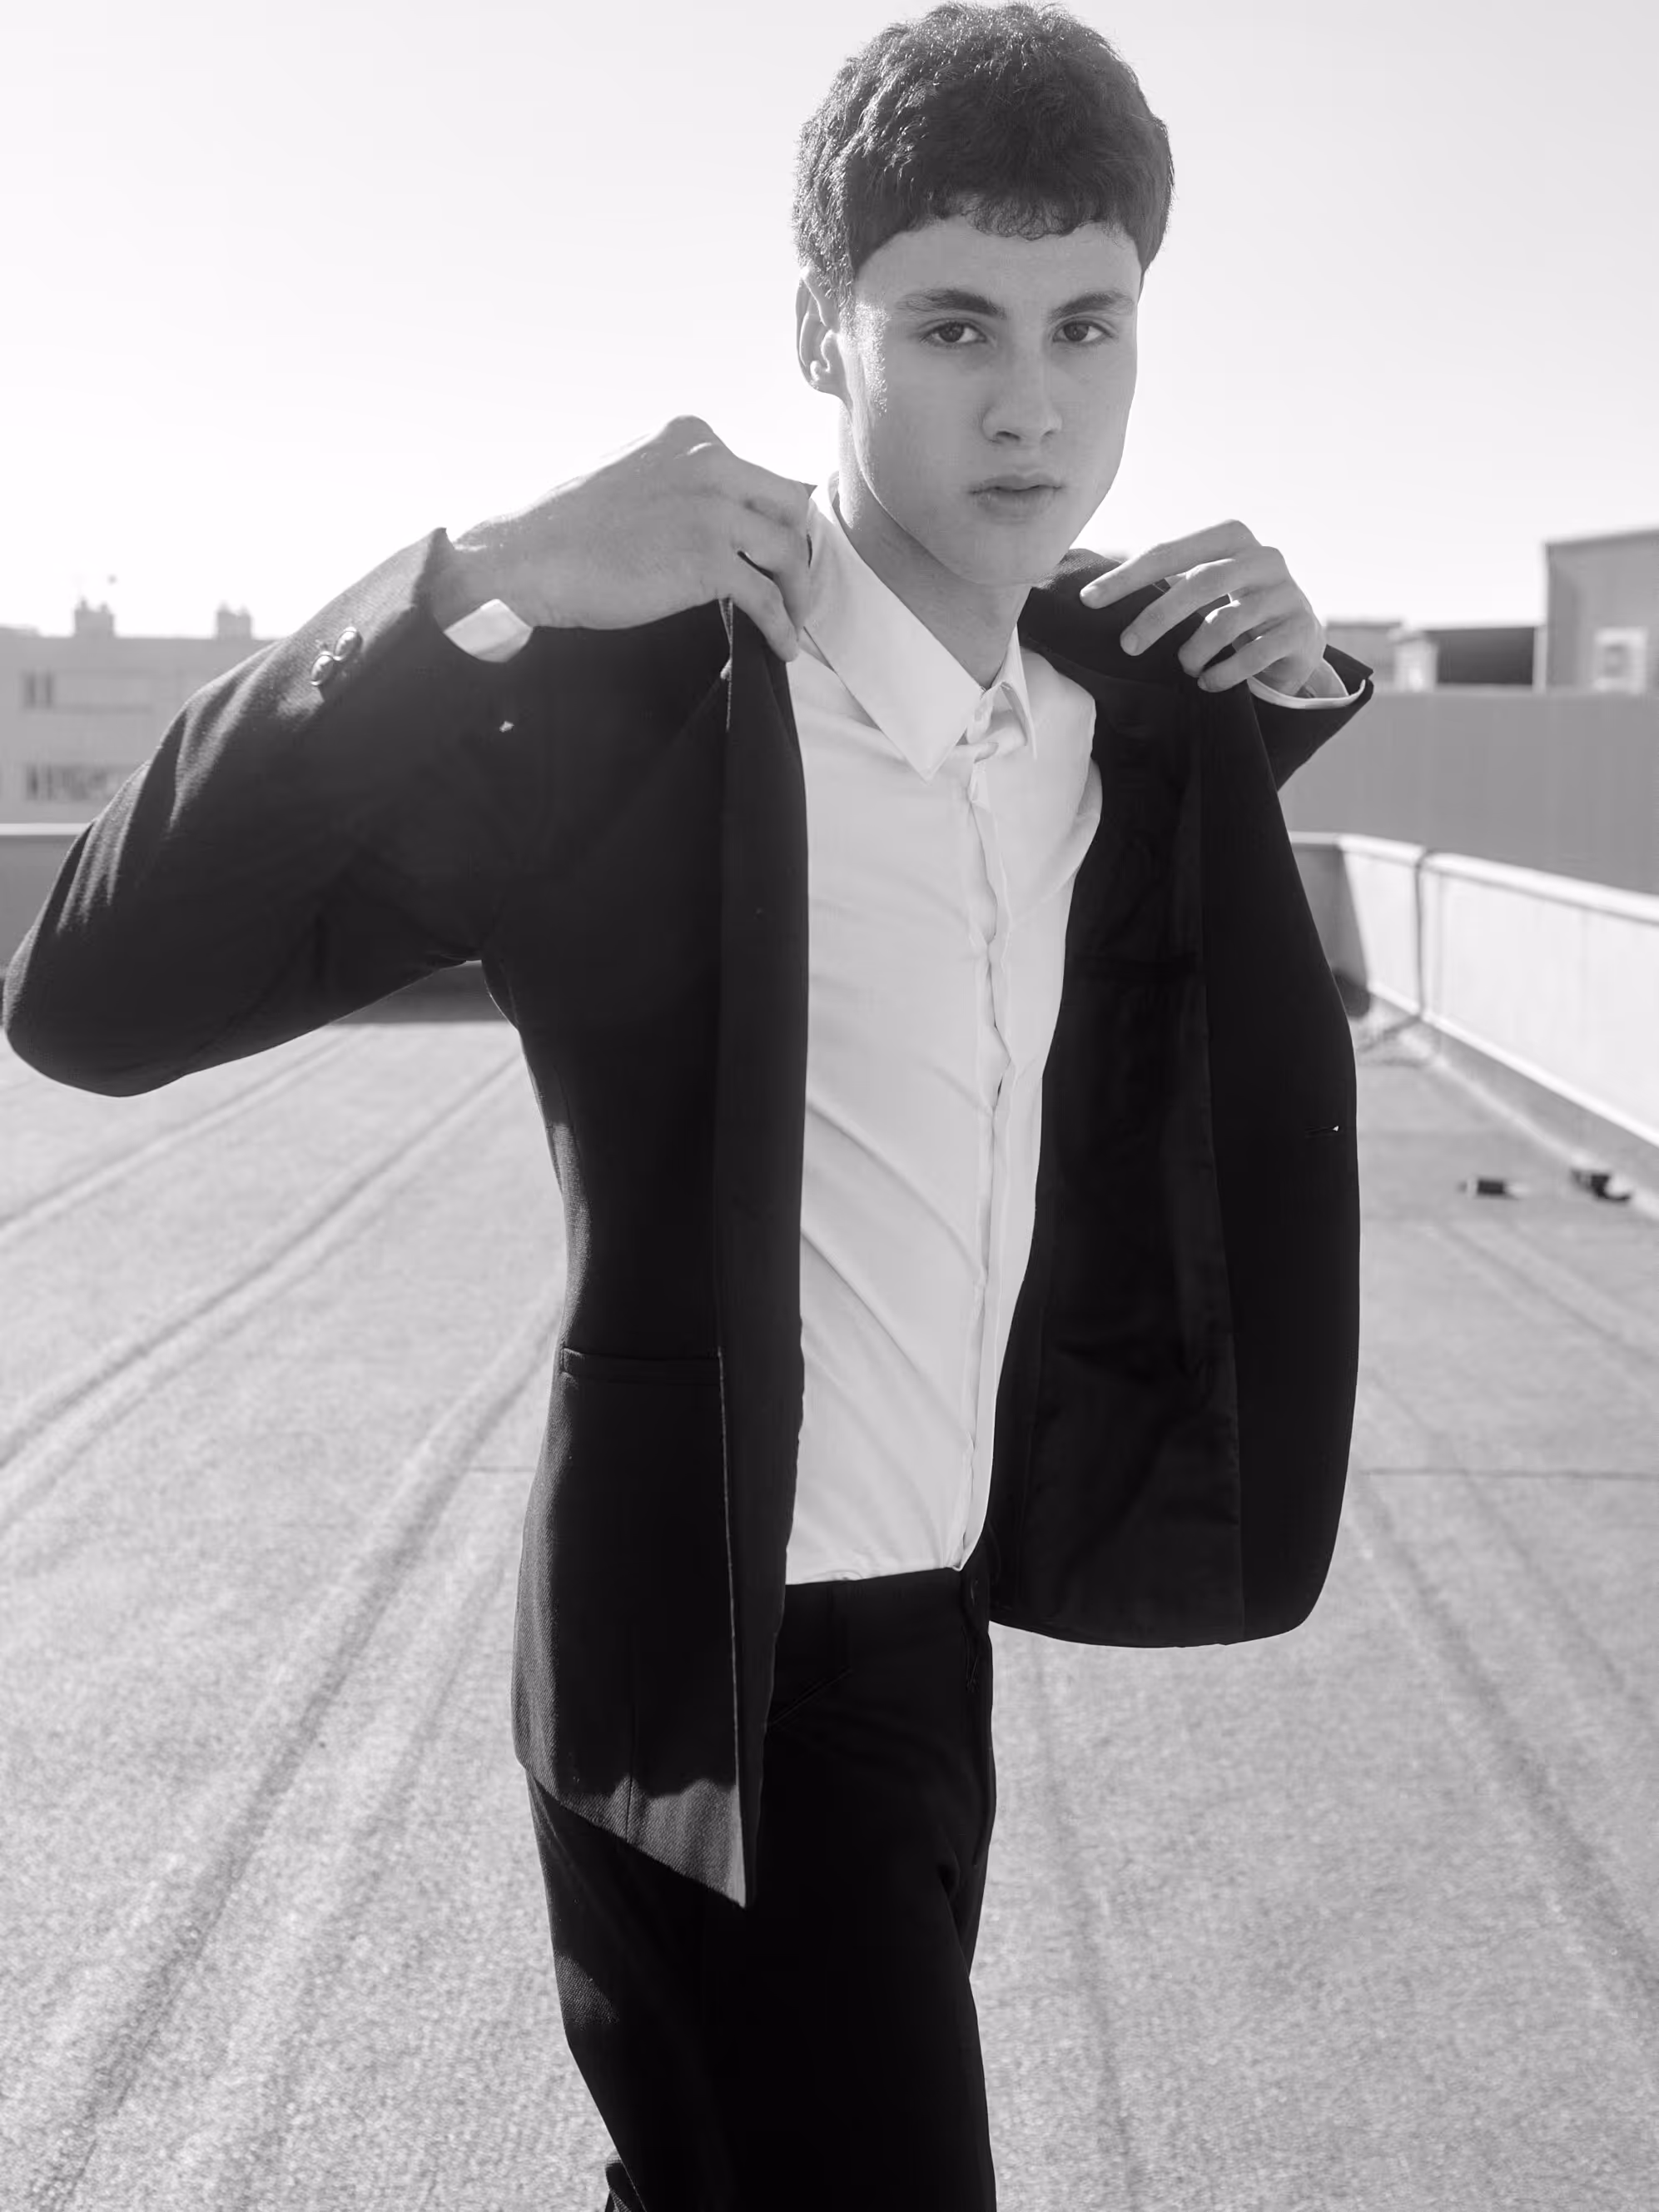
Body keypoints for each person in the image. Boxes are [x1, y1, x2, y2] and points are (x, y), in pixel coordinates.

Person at [2, 5, 1374, 2206]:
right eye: (950, 323)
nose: (1030, 402)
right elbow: (91, 997)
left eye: (1086, 324)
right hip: (708, 1684)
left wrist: (1276, 703)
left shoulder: (1101, 720)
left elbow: (1107, 997)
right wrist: (470, 588)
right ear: (821, 331)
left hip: (934, 1640)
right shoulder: (627, 712)